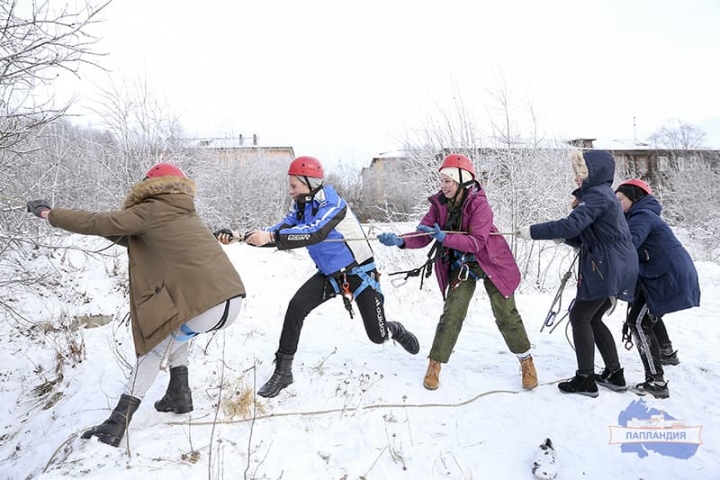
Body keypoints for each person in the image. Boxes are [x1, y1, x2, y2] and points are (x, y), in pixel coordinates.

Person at [26, 162, 246, 447]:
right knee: (179, 330)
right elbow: (129, 236)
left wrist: (48, 214)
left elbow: (97, 222)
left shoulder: (150, 210)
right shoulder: (185, 213)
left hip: (206, 306)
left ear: (148, 187)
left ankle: (116, 424)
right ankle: (179, 394)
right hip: (231, 302)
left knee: (153, 352)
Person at [216, 156, 419, 399]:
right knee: (296, 307)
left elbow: (314, 232)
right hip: (330, 275)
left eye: (294, 185)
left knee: (377, 336)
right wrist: (241, 235)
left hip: (359, 274)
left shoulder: (332, 203)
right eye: (290, 185)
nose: (290, 191)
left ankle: (394, 330)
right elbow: (280, 231)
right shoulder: (300, 206)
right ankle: (283, 371)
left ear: (310, 183)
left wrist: (270, 238)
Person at [378, 154, 538, 391]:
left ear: (462, 181)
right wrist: (401, 241)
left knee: (506, 314)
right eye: (441, 181)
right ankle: (435, 364)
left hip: (492, 262)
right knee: (452, 313)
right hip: (462, 265)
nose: (442, 186)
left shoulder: (479, 204)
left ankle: (526, 361)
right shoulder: (439, 204)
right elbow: (424, 233)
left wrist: (444, 237)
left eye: (447, 181)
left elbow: (476, 243)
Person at [516, 149, 638, 397]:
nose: (576, 179)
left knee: (580, 317)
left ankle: (585, 379)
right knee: (593, 318)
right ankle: (615, 374)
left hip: (607, 265)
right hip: (617, 262)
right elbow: (586, 233)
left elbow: (571, 224)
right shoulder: (602, 196)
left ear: (592, 173)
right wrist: (565, 239)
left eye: (579, 173)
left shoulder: (597, 195)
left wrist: (533, 232)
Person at [615, 178, 700, 398]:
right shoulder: (641, 215)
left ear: (634, 198)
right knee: (648, 311)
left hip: (667, 276)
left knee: (638, 322)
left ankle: (657, 382)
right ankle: (665, 351)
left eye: (620, 199)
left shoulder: (641, 217)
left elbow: (628, 245)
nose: (616, 203)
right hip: (666, 273)